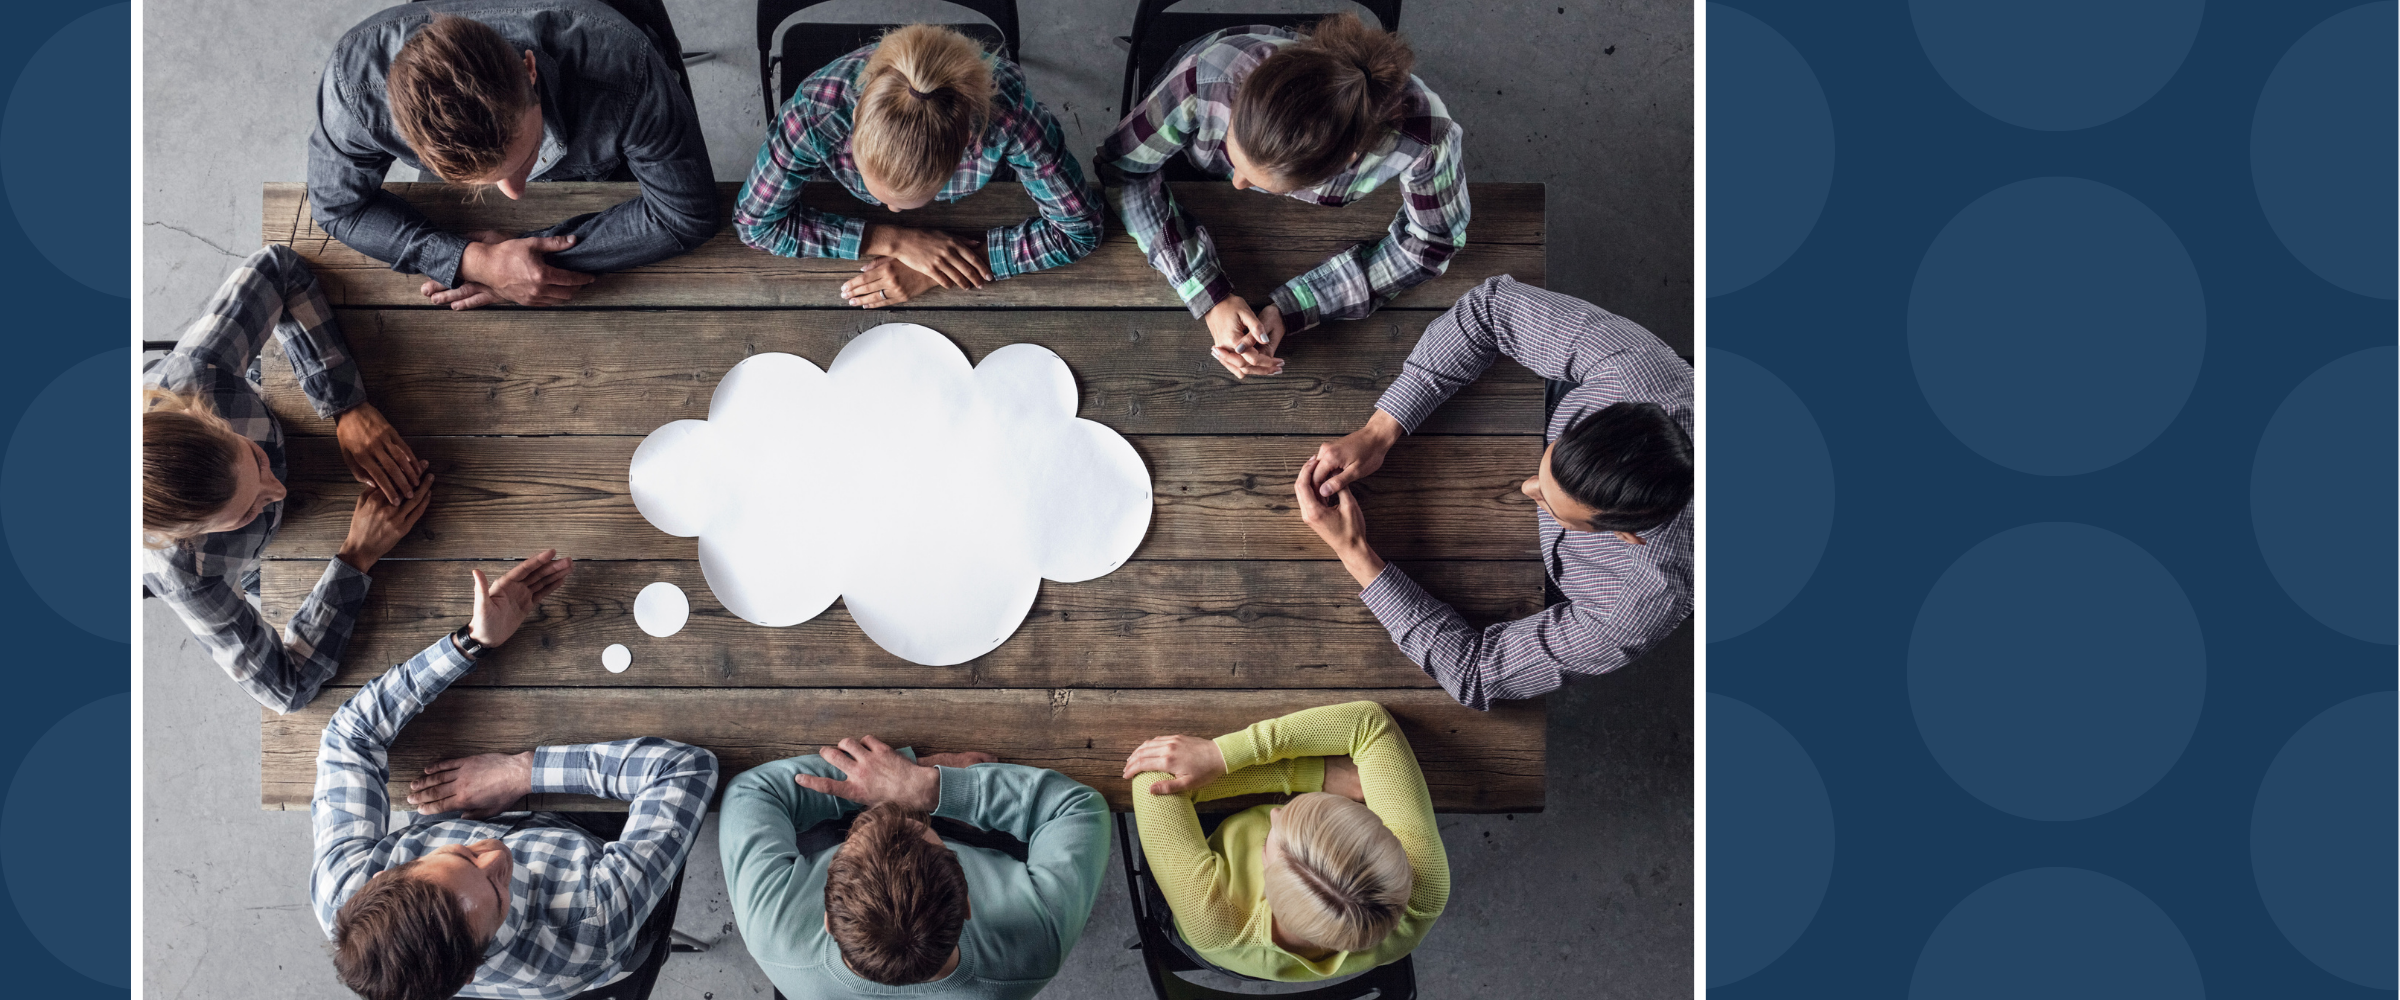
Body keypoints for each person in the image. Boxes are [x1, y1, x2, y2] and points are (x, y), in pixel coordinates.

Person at [314, 549, 724, 1000]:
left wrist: (469, 642)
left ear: (386, 876)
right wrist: (521, 771)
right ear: (472, 970)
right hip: (604, 873)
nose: (496, 854)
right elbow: (684, 768)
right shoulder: (592, 922)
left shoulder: (346, 891)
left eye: (463, 855)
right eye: (496, 888)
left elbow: (350, 736)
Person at [1295, 276, 1693, 710]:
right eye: (1548, 469)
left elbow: (1477, 672)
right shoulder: (1637, 372)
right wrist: (1380, 429)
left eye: (1553, 507)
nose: (1525, 488)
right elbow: (1491, 309)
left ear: (1625, 535)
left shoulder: (1636, 605)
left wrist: (1354, 551)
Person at [143, 244, 433, 714]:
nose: (278, 489)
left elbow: (278, 267)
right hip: (265, 562)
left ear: (207, 418)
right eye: (246, 511)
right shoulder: (185, 577)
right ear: (190, 537)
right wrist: (355, 558)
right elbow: (286, 689)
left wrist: (345, 404)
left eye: (255, 461)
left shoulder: (195, 374)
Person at [1096, 14, 1467, 380]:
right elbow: (1123, 170)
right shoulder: (1206, 75)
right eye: (1231, 154)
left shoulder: (1427, 139)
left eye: (1273, 185)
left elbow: (1432, 243)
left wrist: (1298, 307)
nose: (1238, 185)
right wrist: (1208, 293)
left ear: (1346, 163)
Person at [309, 0, 717, 311]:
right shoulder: (355, 89)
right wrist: (474, 262)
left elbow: (685, 213)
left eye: (524, 160)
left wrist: (526, 265)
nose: (515, 194)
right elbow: (336, 206)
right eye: (483, 183)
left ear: (530, 70)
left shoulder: (626, 69)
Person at [734, 24, 1104, 310]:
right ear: (854, 122)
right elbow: (755, 225)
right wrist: (893, 240)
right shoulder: (817, 112)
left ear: (965, 151)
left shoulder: (1011, 118)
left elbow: (1080, 230)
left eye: (907, 203)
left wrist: (940, 269)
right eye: (878, 192)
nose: (890, 211)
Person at [720, 735, 1109, 998]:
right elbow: (1078, 809)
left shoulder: (772, 930)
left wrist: (898, 774)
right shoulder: (1037, 943)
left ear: (826, 919)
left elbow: (751, 792)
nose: (895, 811)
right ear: (968, 903)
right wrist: (924, 785)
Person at [1120, 700, 1448, 981]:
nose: (1275, 813)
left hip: (1211, 941)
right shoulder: (1426, 889)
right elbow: (1370, 723)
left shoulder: (1218, 923)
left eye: (1268, 840)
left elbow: (1155, 777)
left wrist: (1300, 774)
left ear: (1266, 881)